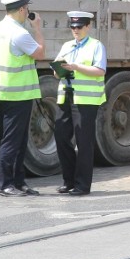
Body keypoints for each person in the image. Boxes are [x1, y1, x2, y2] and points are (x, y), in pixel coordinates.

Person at [0, 0, 45, 197]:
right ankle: (5, 185)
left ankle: (19, 182)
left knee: (19, 141)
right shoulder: (19, 33)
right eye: (27, 9)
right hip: (17, 94)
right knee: (13, 141)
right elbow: (40, 53)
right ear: (22, 9)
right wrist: (37, 28)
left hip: (3, 92)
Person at [52, 10, 107, 196]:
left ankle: (82, 185)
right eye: (72, 27)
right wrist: (59, 69)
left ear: (88, 26)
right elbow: (56, 72)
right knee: (61, 137)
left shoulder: (96, 45)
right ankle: (68, 181)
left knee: (84, 143)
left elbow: (100, 70)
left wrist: (76, 67)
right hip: (66, 97)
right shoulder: (67, 46)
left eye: (79, 27)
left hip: (86, 100)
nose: (75, 30)